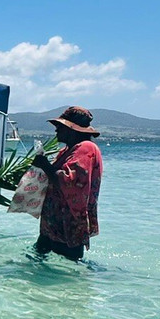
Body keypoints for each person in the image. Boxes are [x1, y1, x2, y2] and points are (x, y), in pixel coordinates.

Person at [32, 106, 103, 261]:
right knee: (38, 265)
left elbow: (68, 182)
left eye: (60, 127)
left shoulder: (86, 148)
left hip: (68, 226)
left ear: (72, 130)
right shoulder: (67, 151)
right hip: (54, 224)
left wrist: (44, 165)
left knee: (68, 274)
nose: (56, 131)